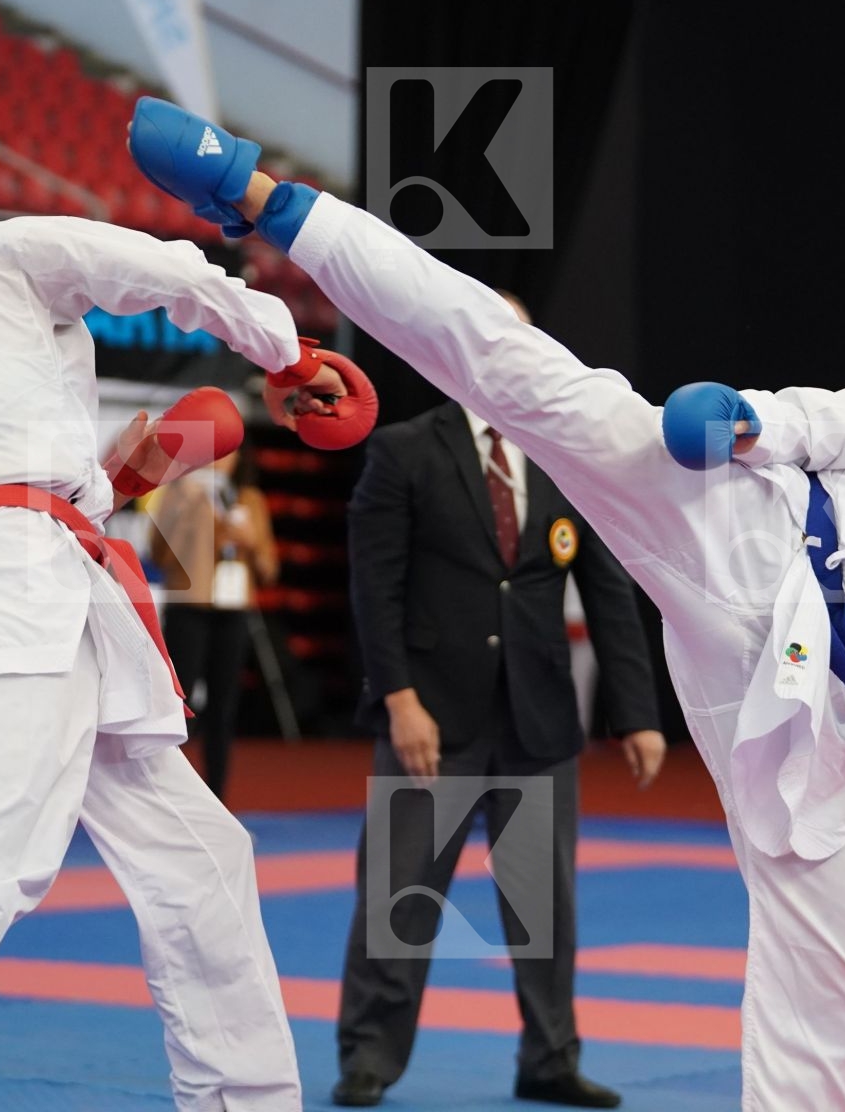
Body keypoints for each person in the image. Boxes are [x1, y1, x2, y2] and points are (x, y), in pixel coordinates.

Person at [126, 98, 845, 1111]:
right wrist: (747, 420)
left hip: (799, 689)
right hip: (743, 526)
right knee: (523, 373)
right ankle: (269, 201)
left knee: (837, 943)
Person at [0, 204, 372, 1112]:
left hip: (10, 577)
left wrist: (116, 482)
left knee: (201, 857)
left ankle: (244, 1099)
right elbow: (164, 267)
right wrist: (286, 355)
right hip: (19, 577)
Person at [333, 293, 665, 1109]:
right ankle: (369, 1055)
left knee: (542, 905)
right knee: (399, 896)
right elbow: (374, 592)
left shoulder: (569, 459)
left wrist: (639, 712)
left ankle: (549, 1058)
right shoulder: (404, 452)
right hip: (431, 719)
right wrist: (399, 700)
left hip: (539, 719)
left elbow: (610, 590)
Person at [149, 445, 280, 798]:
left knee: (224, 708)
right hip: (188, 609)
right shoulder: (179, 493)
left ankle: (217, 797)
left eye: (228, 452)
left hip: (233, 610)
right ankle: (166, 794)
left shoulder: (249, 498)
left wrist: (250, 541)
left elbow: (269, 570)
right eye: (212, 452)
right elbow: (159, 555)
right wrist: (189, 509)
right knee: (179, 707)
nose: (220, 460)